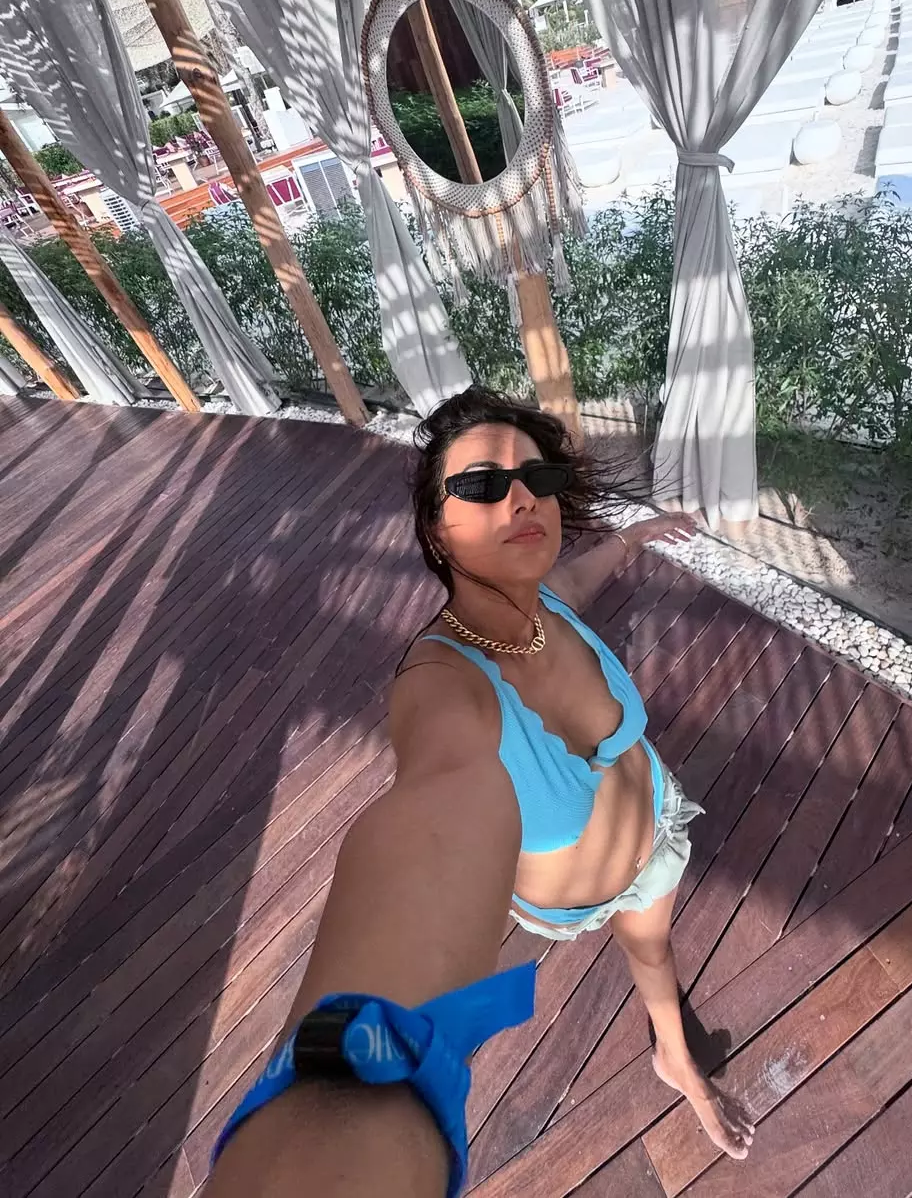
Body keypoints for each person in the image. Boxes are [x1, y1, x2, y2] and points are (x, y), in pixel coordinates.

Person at [207, 387, 754, 1197]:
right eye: (482, 485)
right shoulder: (442, 688)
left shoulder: (543, 604)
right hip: (575, 894)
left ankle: (672, 1053)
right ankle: (668, 1041)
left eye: (535, 477)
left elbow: (577, 578)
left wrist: (633, 537)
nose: (521, 496)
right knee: (645, 944)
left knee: (654, 950)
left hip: (660, 827)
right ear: (437, 529)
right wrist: (345, 1079)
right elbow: (432, 811)